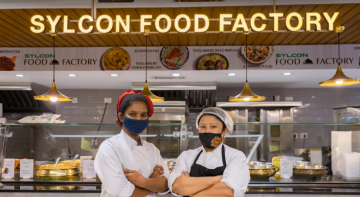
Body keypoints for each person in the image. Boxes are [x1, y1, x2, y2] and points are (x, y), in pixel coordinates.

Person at [95, 90, 169, 197]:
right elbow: (121, 192)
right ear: (121, 117)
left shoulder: (152, 149)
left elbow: (166, 184)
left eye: (143, 115)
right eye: (132, 114)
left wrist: (143, 181)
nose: (139, 119)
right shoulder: (109, 147)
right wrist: (152, 182)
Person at [168, 107, 250, 197]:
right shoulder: (187, 156)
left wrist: (190, 190)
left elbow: (227, 192)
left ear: (225, 130)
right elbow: (177, 187)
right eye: (203, 127)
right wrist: (217, 180)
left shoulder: (236, 156)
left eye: (213, 126)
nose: (207, 131)